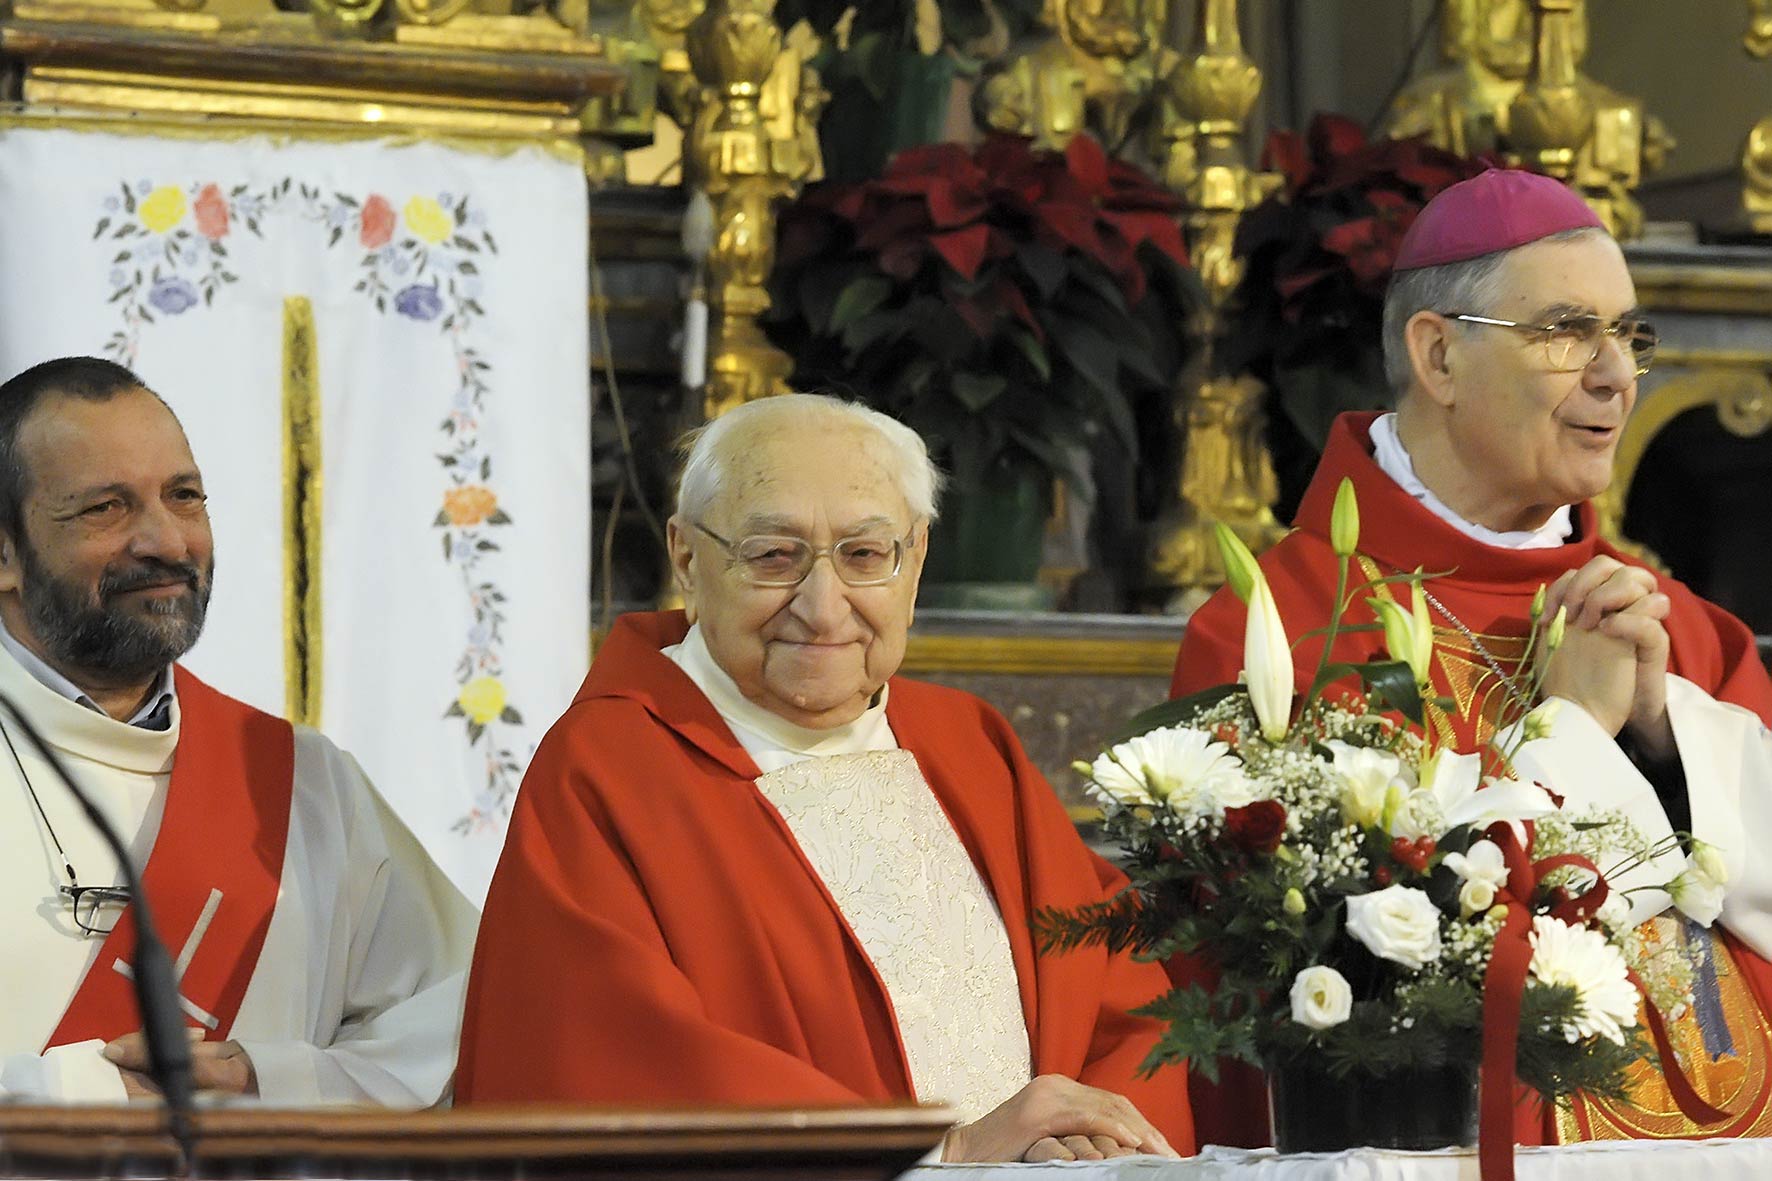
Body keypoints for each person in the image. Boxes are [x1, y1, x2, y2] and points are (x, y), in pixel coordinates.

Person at [1173, 168, 1772, 1143]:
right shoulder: (1278, 631)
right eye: (1566, 330)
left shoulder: (1679, 630)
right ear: (1438, 355)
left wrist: (1666, 739)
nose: (1616, 373)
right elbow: (1329, 987)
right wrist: (1574, 730)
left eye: (1628, 335)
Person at [456, 394, 1191, 1163]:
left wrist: (1090, 1140)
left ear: (917, 560)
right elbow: (603, 1064)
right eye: (774, 555)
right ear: (686, 558)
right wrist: (944, 1156)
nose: (822, 604)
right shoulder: (606, 769)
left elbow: (1120, 989)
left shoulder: (971, 744)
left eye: (865, 555)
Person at [0, 356, 476, 1104]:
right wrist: (62, 1095)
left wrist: (273, 1077)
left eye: (184, 496)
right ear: (5, 552)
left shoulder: (300, 784)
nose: (165, 540)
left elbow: (460, 1031)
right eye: (106, 508)